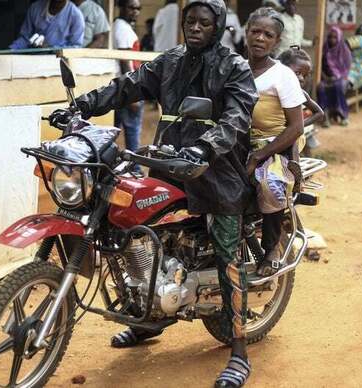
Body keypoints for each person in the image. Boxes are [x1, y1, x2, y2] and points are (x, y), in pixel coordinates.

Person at [56, 1, 258, 386]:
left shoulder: (234, 67)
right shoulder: (171, 60)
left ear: (219, 27)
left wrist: (205, 146)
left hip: (216, 172)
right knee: (146, 240)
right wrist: (83, 104)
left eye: (204, 23)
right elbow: (127, 87)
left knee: (226, 254)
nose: (195, 28)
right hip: (168, 163)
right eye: (190, 22)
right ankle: (151, 319)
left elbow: (236, 117)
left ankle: (239, 351)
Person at [243, 8, 305, 277]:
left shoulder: (283, 75)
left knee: (269, 183)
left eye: (267, 34)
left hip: (276, 143)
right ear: (246, 33)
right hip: (238, 142)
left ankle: (271, 249)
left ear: (276, 42)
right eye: (255, 31)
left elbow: (296, 127)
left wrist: (260, 155)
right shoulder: (235, 68)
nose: (260, 38)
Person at [279, 48, 324, 155]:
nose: (302, 78)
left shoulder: (299, 92)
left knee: (293, 136)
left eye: (305, 75)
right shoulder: (272, 88)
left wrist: (298, 125)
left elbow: (319, 113)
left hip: (291, 135)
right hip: (270, 133)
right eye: (298, 73)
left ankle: (294, 164)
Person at [113, 0, 143, 153]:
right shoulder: (122, 28)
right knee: (132, 131)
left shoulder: (121, 26)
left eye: (138, 8)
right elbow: (125, 62)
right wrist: (133, 94)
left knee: (113, 131)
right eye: (131, 7)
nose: (135, 12)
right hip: (128, 86)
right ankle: (136, 168)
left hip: (121, 86)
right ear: (121, 7)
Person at [10, 0, 84, 49]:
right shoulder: (35, 8)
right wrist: (12, 50)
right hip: (33, 59)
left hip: (58, 62)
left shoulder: (76, 15)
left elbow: (76, 48)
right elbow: (25, 38)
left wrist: (50, 48)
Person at [317, 26, 352, 127]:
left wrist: (337, 77)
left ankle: (343, 116)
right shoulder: (324, 49)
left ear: (339, 38)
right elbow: (320, 67)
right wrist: (326, 77)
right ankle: (325, 117)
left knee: (338, 86)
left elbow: (346, 70)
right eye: (330, 37)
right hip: (327, 78)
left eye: (335, 37)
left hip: (342, 78)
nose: (332, 40)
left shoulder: (345, 51)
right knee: (321, 87)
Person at [346, 23, 362, 91]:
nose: (358, 29)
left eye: (361, 28)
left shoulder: (360, 39)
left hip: (355, 72)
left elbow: (346, 43)